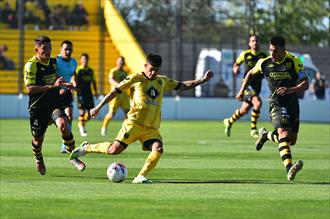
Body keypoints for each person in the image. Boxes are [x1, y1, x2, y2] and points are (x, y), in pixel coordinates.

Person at [70, 53, 213, 184]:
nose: (153, 72)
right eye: (151, 69)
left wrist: (202, 80)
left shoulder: (162, 81)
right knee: (114, 150)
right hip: (133, 123)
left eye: (156, 70)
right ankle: (86, 148)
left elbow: (182, 85)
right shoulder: (135, 78)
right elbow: (115, 91)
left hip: (151, 128)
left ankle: (140, 176)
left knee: (158, 148)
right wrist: (98, 107)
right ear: (145, 66)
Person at [236, 36, 309, 181]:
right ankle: (289, 168)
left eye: (275, 51)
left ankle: (266, 135)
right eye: (270, 50)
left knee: (291, 140)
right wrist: (241, 90)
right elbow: (250, 73)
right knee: (283, 134)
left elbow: (305, 83)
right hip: (276, 103)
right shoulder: (264, 62)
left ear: (283, 50)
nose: (272, 54)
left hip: (292, 103)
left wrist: (291, 89)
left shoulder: (294, 61)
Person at [23, 35, 85, 175]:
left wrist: (63, 84)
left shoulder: (53, 62)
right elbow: (30, 88)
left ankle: (73, 157)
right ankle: (38, 158)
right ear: (37, 50)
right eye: (44, 48)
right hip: (38, 107)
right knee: (38, 140)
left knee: (64, 125)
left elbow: (55, 77)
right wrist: (52, 86)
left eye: (50, 47)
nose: (48, 50)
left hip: (54, 103)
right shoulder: (31, 65)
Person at [224, 34, 267, 138]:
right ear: (249, 43)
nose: (255, 42)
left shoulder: (264, 55)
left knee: (244, 110)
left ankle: (229, 121)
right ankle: (253, 129)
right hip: (247, 84)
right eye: (253, 41)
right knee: (257, 103)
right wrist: (235, 68)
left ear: (259, 43)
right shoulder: (245, 54)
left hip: (257, 86)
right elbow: (236, 64)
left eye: (256, 41)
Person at [56, 40, 77, 153]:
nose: (68, 51)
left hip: (67, 92)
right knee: (53, 121)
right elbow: (53, 75)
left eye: (70, 49)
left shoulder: (74, 62)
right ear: (61, 50)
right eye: (66, 49)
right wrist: (63, 85)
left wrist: (74, 84)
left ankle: (65, 144)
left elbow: (73, 74)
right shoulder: (56, 60)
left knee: (69, 116)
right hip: (55, 93)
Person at [101, 56, 130, 136]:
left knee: (128, 114)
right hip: (115, 95)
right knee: (111, 114)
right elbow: (111, 79)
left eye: (122, 61)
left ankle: (124, 130)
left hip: (124, 96)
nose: (121, 62)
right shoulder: (113, 71)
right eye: (120, 61)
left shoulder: (125, 73)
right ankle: (104, 127)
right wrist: (118, 85)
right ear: (117, 62)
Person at [76, 53, 98, 136]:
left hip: (89, 93)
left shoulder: (90, 70)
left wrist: (95, 92)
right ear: (81, 60)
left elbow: (93, 81)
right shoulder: (78, 70)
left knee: (89, 114)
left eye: (86, 59)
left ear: (88, 60)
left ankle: (81, 123)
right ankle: (82, 128)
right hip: (80, 93)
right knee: (81, 112)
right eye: (83, 59)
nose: (85, 61)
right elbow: (74, 80)